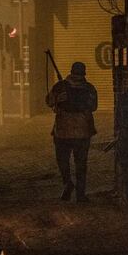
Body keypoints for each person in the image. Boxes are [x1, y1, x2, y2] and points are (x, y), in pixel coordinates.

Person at [45, 61, 98, 202]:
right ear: (84, 73)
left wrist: (59, 99)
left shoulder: (60, 86)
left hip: (62, 131)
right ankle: (81, 194)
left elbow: (49, 101)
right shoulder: (90, 88)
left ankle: (67, 184)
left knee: (63, 161)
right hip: (83, 131)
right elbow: (94, 106)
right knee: (81, 163)